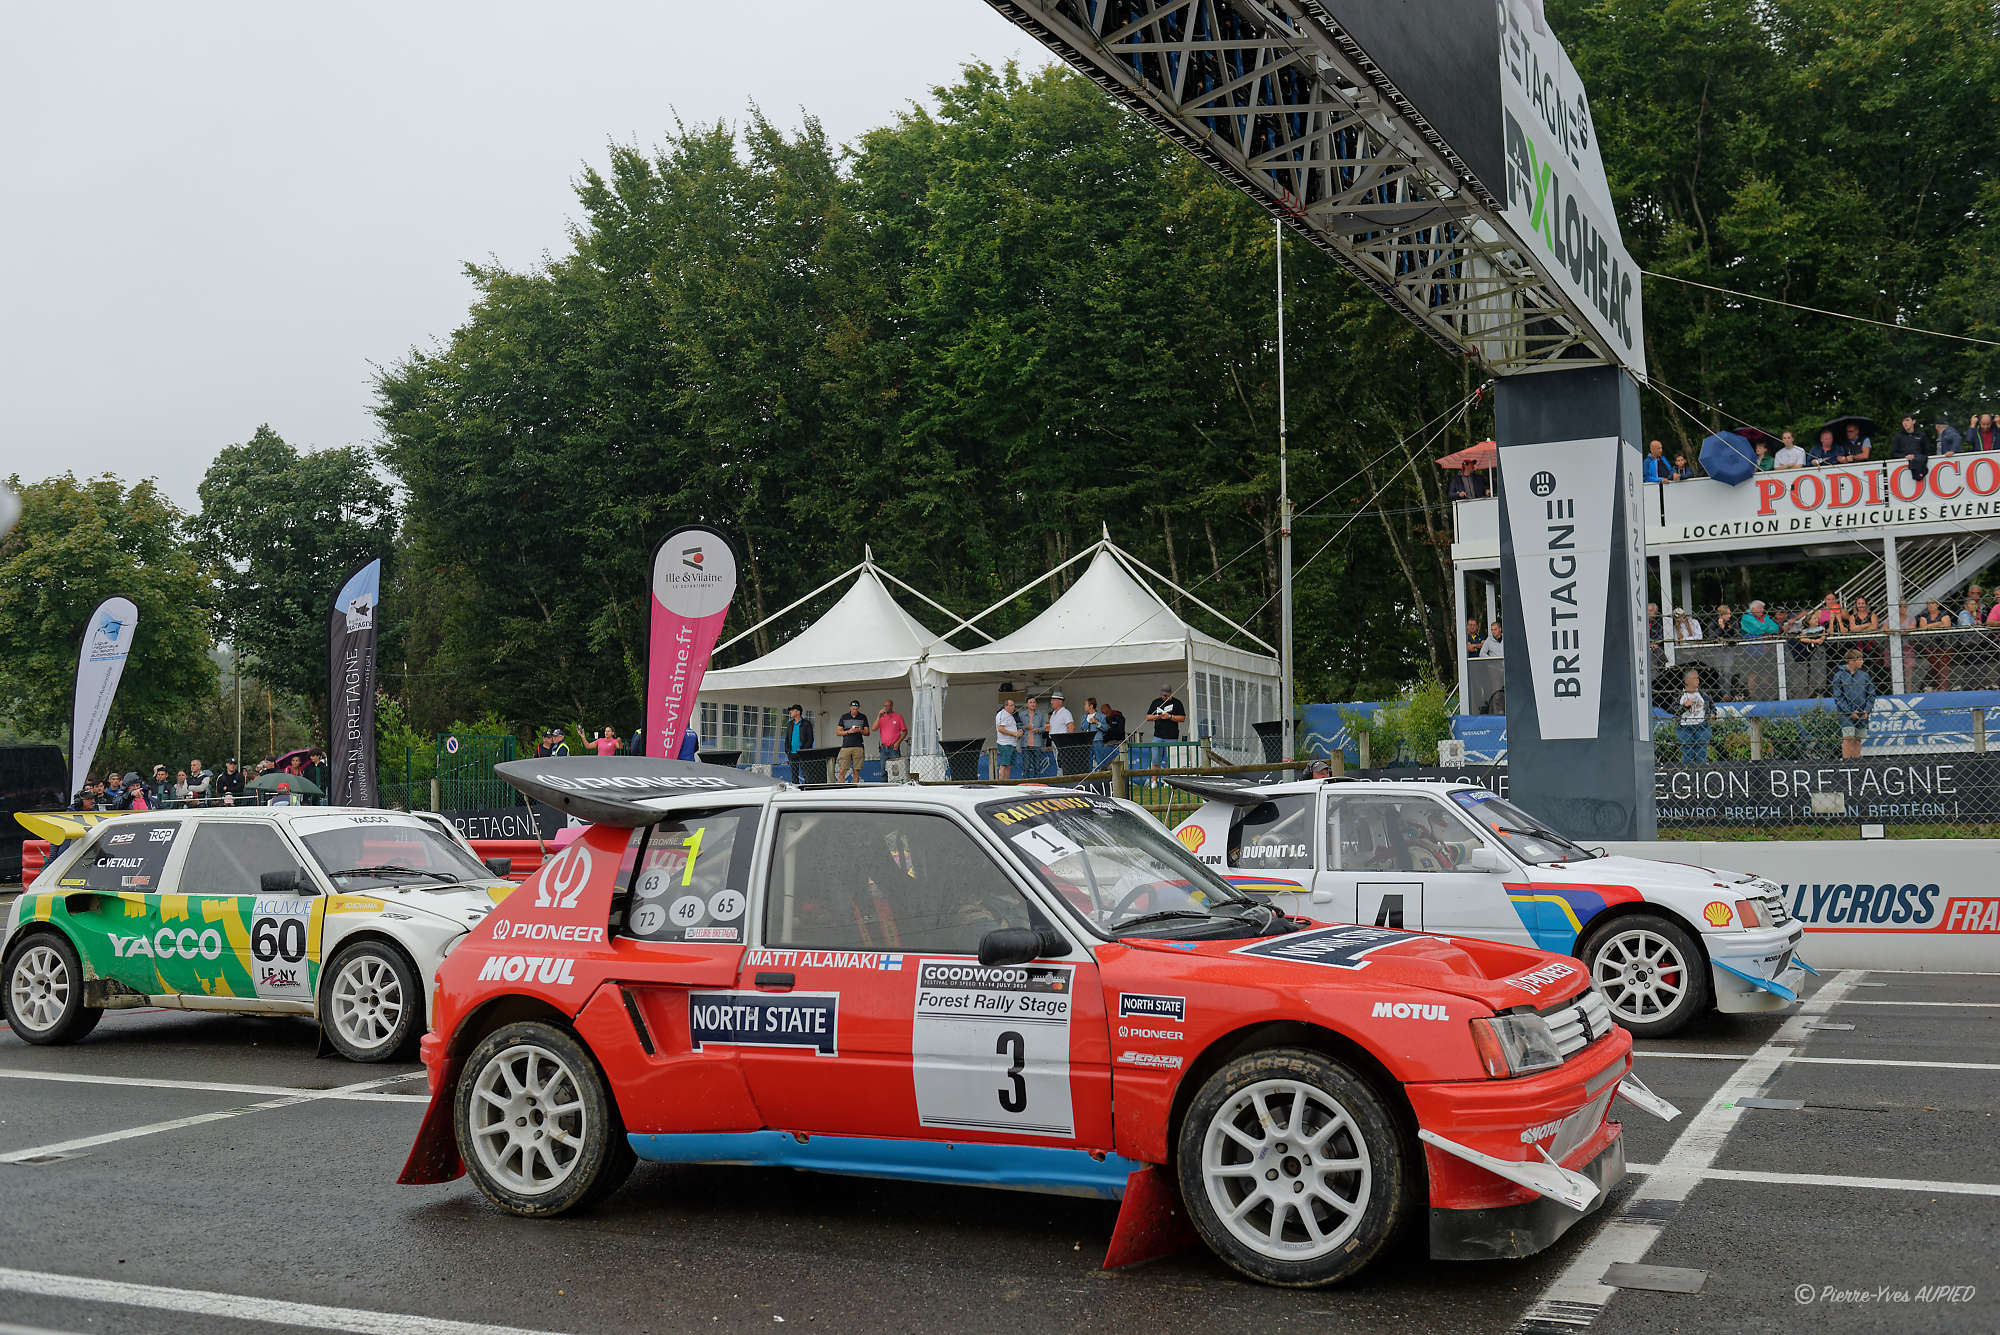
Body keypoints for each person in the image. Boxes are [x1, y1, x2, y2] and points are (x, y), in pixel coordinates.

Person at [1831, 648, 1875, 760]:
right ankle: (1847, 763)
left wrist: (1867, 710)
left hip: (1862, 711)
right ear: (1851, 661)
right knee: (1848, 737)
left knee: (1858, 738)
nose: (1862, 662)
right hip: (1845, 713)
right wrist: (1849, 711)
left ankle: (1856, 762)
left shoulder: (1865, 675)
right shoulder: (1839, 676)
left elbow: (1871, 694)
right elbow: (1838, 696)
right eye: (1859, 659)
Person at [1674, 669, 1711, 763]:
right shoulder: (1679, 695)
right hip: (1685, 727)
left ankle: (1701, 771)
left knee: (1702, 752)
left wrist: (1713, 713)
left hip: (1701, 726)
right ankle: (1688, 772)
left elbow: (1711, 706)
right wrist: (1685, 706)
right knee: (1687, 752)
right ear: (1686, 681)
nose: (1697, 680)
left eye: (1698, 678)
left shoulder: (1703, 694)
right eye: (1694, 678)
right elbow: (1674, 710)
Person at [834, 699, 869, 784]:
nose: (854, 711)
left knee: (856, 771)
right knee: (842, 770)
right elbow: (838, 732)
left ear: (858, 708)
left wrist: (860, 730)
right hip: (846, 746)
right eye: (853, 709)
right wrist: (848, 731)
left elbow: (867, 732)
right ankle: (840, 789)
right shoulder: (844, 717)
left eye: (856, 709)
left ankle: (854, 790)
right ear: (850, 708)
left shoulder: (862, 717)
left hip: (858, 746)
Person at [781, 705, 814, 783]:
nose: (790, 712)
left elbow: (810, 739)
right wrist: (787, 750)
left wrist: (804, 751)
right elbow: (787, 738)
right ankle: (796, 791)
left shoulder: (806, 724)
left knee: (806, 774)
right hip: (792, 753)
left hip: (803, 754)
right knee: (794, 775)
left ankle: (807, 790)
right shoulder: (790, 724)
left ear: (798, 712)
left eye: (792, 710)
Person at [1017, 694, 1048, 778]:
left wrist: (1038, 730)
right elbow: (1017, 727)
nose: (1033, 704)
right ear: (1027, 704)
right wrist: (1025, 727)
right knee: (1026, 768)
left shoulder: (1040, 714)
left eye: (1034, 702)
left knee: (1037, 767)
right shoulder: (1021, 714)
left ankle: (1037, 785)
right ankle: (1026, 786)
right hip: (1025, 744)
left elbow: (1045, 727)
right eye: (1030, 702)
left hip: (1037, 744)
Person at [993, 696, 1021, 780]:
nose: (1013, 707)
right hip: (1005, 744)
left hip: (1012, 743)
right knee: (1004, 765)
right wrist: (1014, 733)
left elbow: (1010, 728)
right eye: (1011, 705)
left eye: (1013, 705)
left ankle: (1007, 782)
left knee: (1008, 765)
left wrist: (1018, 733)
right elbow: (1000, 729)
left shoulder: (1010, 715)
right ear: (1005, 706)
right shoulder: (1002, 714)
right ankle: (1002, 783)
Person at [874, 699, 907, 770]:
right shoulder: (881, 717)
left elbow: (905, 732)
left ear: (891, 706)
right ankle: (885, 781)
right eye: (885, 706)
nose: (886, 707)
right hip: (883, 748)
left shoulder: (898, 717)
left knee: (896, 769)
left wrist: (898, 743)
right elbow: (874, 728)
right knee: (883, 769)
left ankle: (895, 781)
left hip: (894, 748)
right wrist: (879, 716)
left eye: (888, 706)